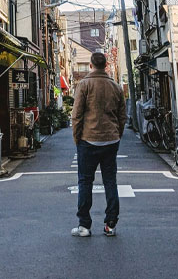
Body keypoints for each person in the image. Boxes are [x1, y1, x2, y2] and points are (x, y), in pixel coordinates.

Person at [70, 51, 127, 238]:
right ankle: (111, 224)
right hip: (111, 139)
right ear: (106, 66)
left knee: (85, 181)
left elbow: (76, 115)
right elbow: (122, 116)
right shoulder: (116, 87)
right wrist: (117, 134)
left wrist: (77, 138)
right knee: (110, 180)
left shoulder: (84, 85)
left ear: (91, 66)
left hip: (88, 139)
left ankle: (84, 225)